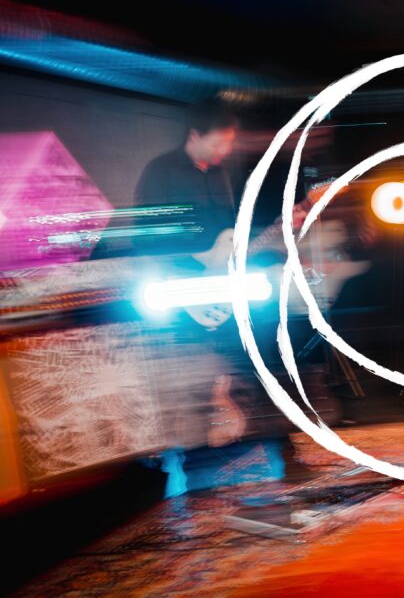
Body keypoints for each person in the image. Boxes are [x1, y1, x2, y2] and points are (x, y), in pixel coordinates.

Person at [133, 98, 313, 501]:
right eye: (218, 143)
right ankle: (192, 475)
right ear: (194, 135)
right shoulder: (161, 173)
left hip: (225, 291)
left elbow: (231, 240)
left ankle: (285, 452)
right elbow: (148, 236)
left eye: (229, 144)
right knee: (192, 384)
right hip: (180, 294)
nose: (224, 151)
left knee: (259, 362)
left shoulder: (220, 176)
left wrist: (275, 236)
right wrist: (196, 262)